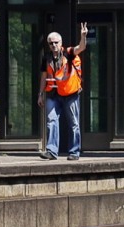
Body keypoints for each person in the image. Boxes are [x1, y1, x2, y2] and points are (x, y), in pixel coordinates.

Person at [37, 22, 88, 160]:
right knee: (51, 120)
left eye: (56, 42)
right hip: (53, 94)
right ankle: (51, 151)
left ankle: (74, 152)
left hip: (70, 93)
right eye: (51, 43)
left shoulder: (68, 53)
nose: (54, 45)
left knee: (73, 123)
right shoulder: (46, 58)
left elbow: (81, 47)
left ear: (61, 43)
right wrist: (40, 94)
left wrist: (83, 36)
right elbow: (44, 77)